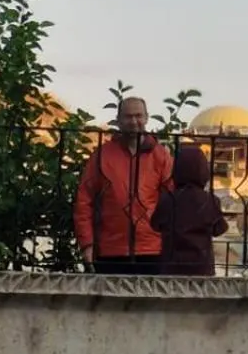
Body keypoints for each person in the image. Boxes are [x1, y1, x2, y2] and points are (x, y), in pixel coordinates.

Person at [74, 96, 173, 274]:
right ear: (118, 120)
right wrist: (86, 243)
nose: (134, 122)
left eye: (138, 116)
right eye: (128, 117)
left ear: (146, 118)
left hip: (152, 248)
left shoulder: (161, 156)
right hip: (110, 248)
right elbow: (84, 200)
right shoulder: (102, 155)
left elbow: (172, 201)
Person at [150, 144, 228, 277]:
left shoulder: (168, 199)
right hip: (202, 267)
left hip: (172, 266)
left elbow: (155, 224)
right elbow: (219, 229)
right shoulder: (210, 200)